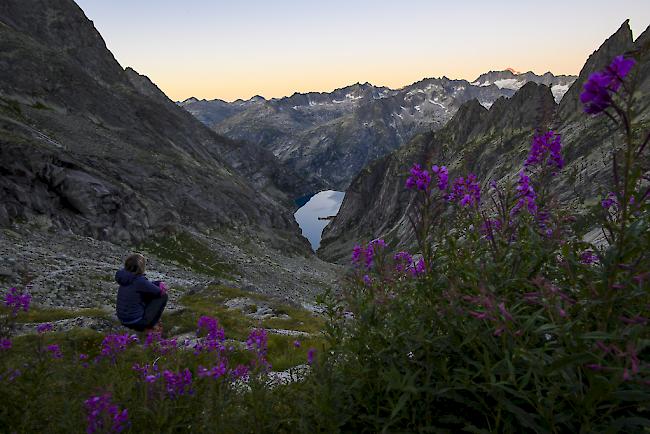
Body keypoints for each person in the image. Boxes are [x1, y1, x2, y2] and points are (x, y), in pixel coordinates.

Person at [115, 253, 168, 333]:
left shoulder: (125, 277)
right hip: (136, 322)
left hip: (123, 319)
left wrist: (156, 283)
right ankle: (152, 325)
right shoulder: (139, 281)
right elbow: (159, 292)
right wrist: (161, 285)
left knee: (145, 293)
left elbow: (146, 285)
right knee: (163, 296)